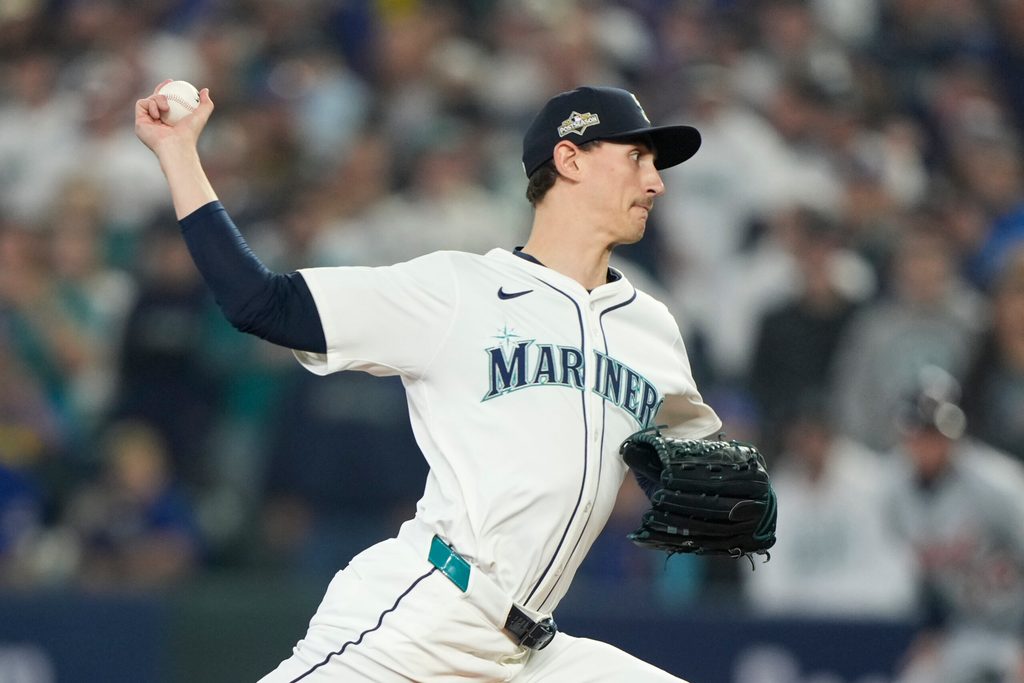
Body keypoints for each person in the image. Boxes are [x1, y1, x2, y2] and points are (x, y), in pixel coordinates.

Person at [135, 80, 721, 681]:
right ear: (569, 159)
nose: (656, 182)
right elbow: (261, 303)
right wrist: (179, 154)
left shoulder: (652, 328)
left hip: (533, 652)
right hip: (425, 618)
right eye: (637, 158)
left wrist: (712, 512)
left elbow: (691, 490)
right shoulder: (457, 293)